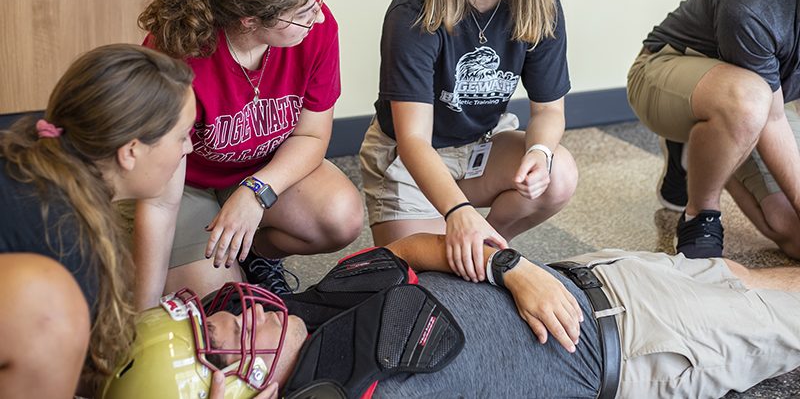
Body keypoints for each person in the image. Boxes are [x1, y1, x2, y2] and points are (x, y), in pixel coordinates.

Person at [101, 233, 800, 399]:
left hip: (589, 272)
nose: (245, 308)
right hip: (647, 344)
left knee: (745, 273)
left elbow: (409, 247)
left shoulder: (308, 307)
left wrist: (509, 267)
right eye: (225, 333)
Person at [359, 0, 578, 283]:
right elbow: (413, 140)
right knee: (428, 279)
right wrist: (458, 213)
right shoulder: (413, 11)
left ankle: (494, 241)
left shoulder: (541, 5)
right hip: (410, 158)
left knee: (560, 172)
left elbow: (549, 109)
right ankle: (473, 239)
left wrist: (540, 153)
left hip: (480, 148)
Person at [136, 0, 364, 310]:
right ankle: (213, 258)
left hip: (258, 170)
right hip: (185, 185)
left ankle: (252, 252)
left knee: (341, 216)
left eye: (317, 0)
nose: (319, 18)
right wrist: (140, 312)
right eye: (304, 12)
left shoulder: (317, 31)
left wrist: (255, 193)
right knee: (227, 306)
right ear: (250, 21)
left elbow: (311, 136)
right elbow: (158, 200)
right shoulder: (175, 55)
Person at [0, 44, 196, 397]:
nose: (189, 149)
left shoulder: (22, 147)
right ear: (131, 151)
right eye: (182, 136)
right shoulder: (69, 254)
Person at [628, 0, 800, 259]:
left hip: (758, 105)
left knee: (792, 231)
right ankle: (701, 214)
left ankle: (702, 150)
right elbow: (772, 120)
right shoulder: (756, 1)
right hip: (664, 69)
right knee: (749, 101)